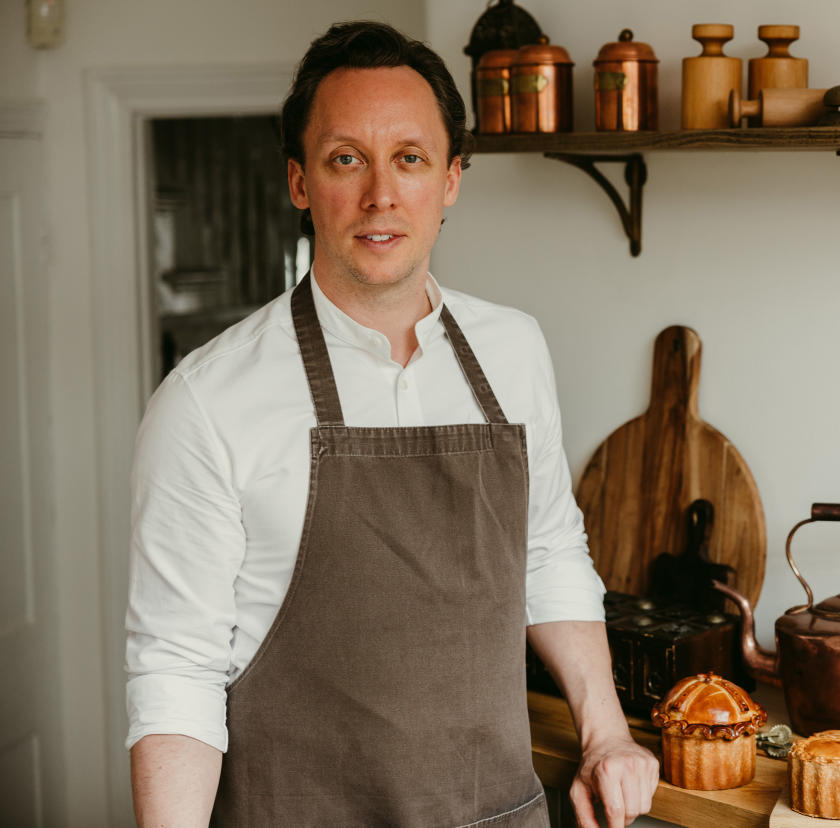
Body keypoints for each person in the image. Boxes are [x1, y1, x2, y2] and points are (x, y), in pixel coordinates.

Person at [125, 21, 659, 827]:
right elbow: (176, 667)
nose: (381, 194)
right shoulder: (205, 400)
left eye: (409, 158)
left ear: (449, 180)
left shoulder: (513, 349)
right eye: (347, 159)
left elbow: (547, 551)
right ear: (300, 182)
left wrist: (607, 734)